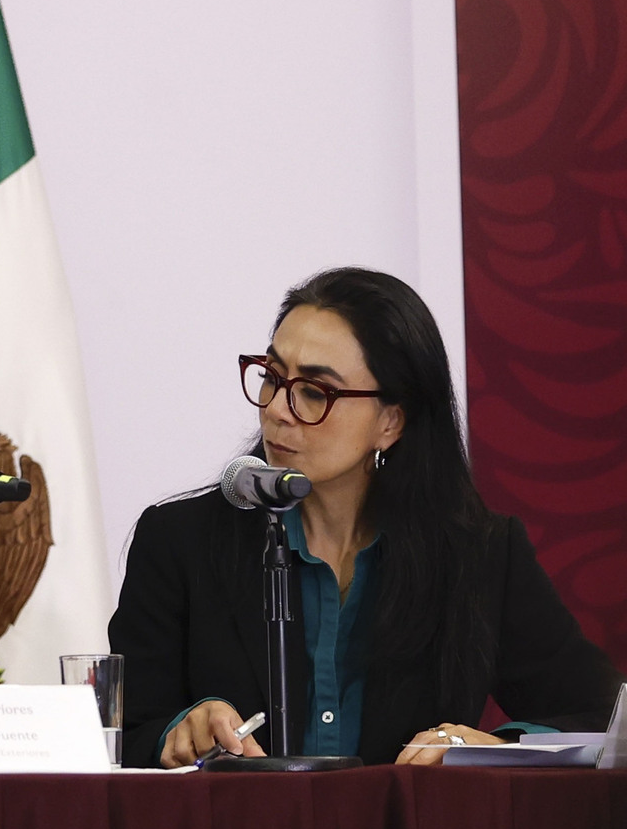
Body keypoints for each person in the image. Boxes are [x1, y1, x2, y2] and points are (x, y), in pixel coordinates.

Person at [110, 267, 621, 768]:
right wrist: (176, 734)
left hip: (411, 826)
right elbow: (119, 735)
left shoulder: (479, 554)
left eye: (315, 391)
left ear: (390, 422)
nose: (278, 410)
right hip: (236, 826)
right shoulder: (178, 543)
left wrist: (488, 748)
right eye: (272, 377)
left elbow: (598, 715)